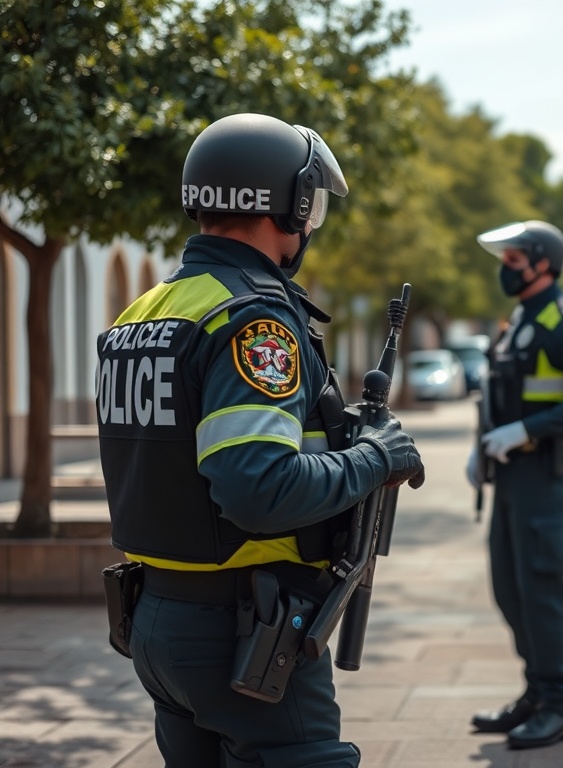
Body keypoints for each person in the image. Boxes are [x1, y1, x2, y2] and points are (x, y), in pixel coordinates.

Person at [95, 112, 425, 768]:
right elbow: (258, 488)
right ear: (292, 202)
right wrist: (373, 457)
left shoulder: (145, 313)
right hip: (242, 629)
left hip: (160, 619)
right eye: (312, 204)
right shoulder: (253, 320)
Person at [465, 220, 563, 750]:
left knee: (541, 588)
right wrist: (479, 448)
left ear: (543, 262)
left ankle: (557, 705)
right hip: (511, 476)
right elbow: (498, 396)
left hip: (547, 474)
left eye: (513, 259)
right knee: (509, 587)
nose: (505, 268)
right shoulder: (518, 320)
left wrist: (523, 431)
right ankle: (536, 690)